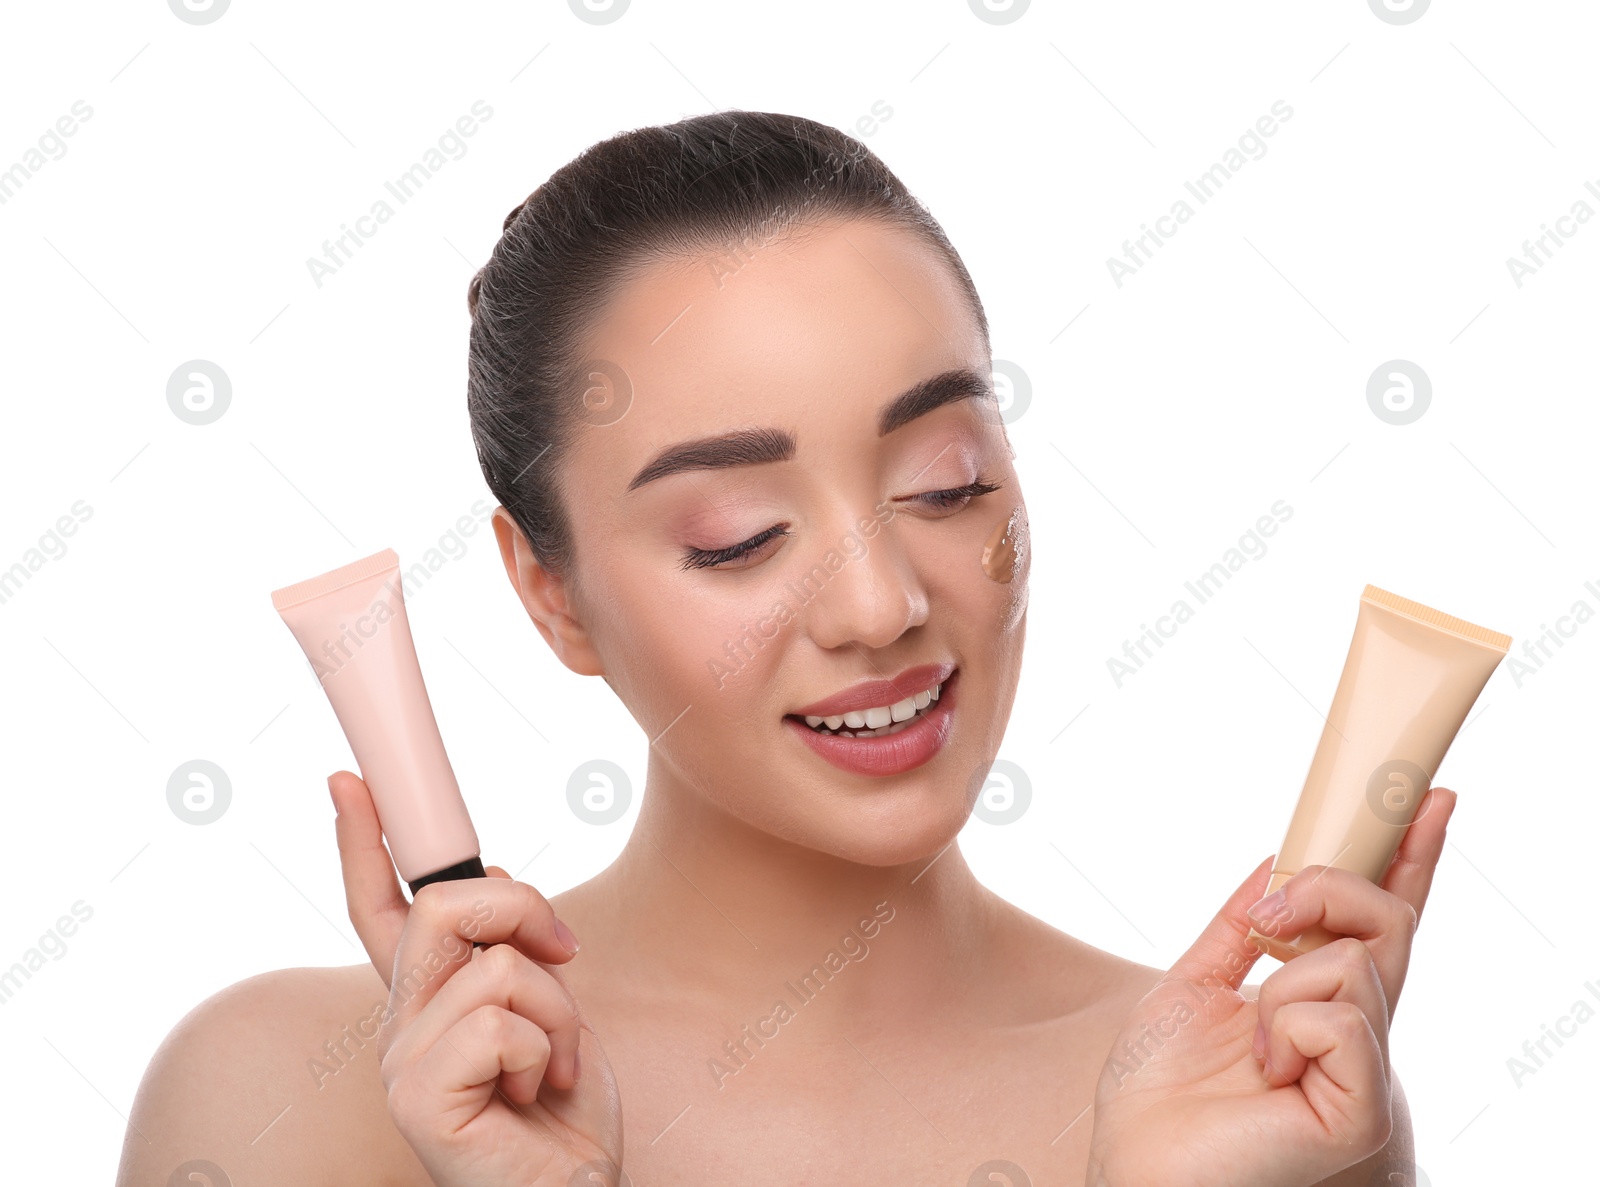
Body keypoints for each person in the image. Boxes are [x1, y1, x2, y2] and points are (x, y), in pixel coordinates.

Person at [118, 110, 1447, 1186]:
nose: (878, 604)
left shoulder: (1254, 1102)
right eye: (737, 535)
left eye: (945, 482)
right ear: (552, 594)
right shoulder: (283, 1100)